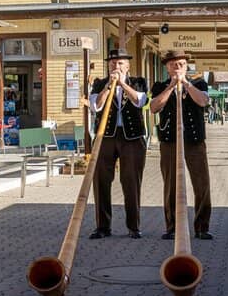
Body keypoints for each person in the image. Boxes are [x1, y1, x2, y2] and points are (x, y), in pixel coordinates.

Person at [150, 50, 214, 240]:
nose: (176, 67)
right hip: (169, 140)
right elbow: (154, 107)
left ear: (186, 66)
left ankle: (202, 227)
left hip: (194, 140)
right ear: (167, 67)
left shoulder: (199, 83)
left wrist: (185, 83)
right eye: (172, 64)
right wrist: (171, 86)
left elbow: (203, 101)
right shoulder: (160, 86)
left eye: (180, 64)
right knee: (171, 184)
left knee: (201, 183)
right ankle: (172, 227)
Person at [88, 48, 149, 239]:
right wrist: (109, 86)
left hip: (132, 137)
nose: (117, 65)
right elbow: (95, 105)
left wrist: (122, 83)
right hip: (105, 136)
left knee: (131, 181)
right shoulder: (99, 84)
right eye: (113, 63)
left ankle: (133, 226)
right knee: (101, 182)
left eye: (121, 63)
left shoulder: (138, 82)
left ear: (128, 66)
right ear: (108, 65)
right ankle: (103, 226)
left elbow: (140, 101)